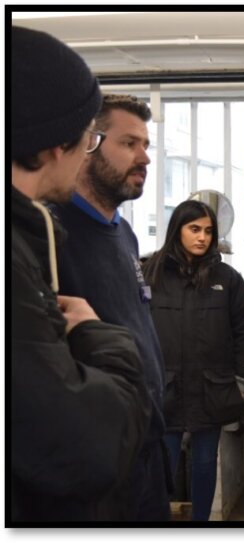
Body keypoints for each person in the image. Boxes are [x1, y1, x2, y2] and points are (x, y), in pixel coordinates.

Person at [10, 26, 151, 522]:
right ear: (56, 145)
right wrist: (99, 336)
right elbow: (77, 443)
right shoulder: (35, 243)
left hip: (130, 463)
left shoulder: (120, 236)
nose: (144, 157)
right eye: (92, 138)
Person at [50, 94, 171, 521]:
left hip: (146, 452)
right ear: (88, 142)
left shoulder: (125, 235)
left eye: (146, 145)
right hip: (97, 465)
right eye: (129, 144)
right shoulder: (50, 235)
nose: (145, 158)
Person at [142, 200, 244, 521]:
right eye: (194, 229)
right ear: (176, 230)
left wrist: (241, 381)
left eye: (208, 231)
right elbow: (132, 327)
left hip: (213, 389)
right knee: (162, 466)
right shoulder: (149, 274)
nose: (202, 237)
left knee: (206, 463)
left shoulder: (227, 278)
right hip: (164, 389)